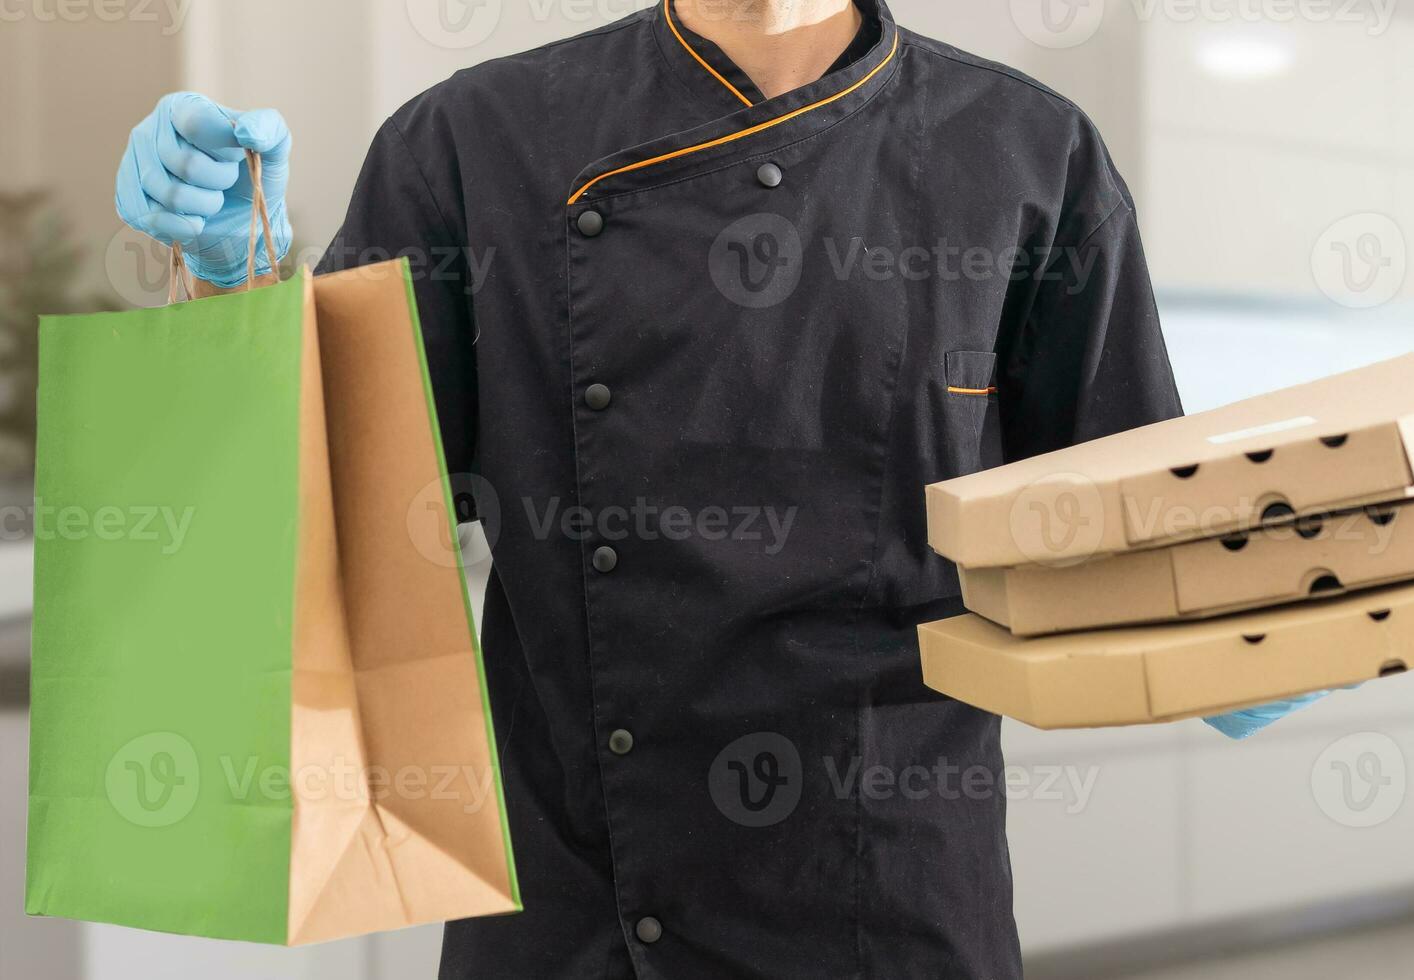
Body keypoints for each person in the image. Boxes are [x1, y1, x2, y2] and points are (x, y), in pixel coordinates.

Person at [114, 1, 1333, 975]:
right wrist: (237, 283)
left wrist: (1231, 641)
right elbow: (330, 507)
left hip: (888, 895)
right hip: (577, 900)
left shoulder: (1029, 152)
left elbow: (1118, 506)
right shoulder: (472, 140)